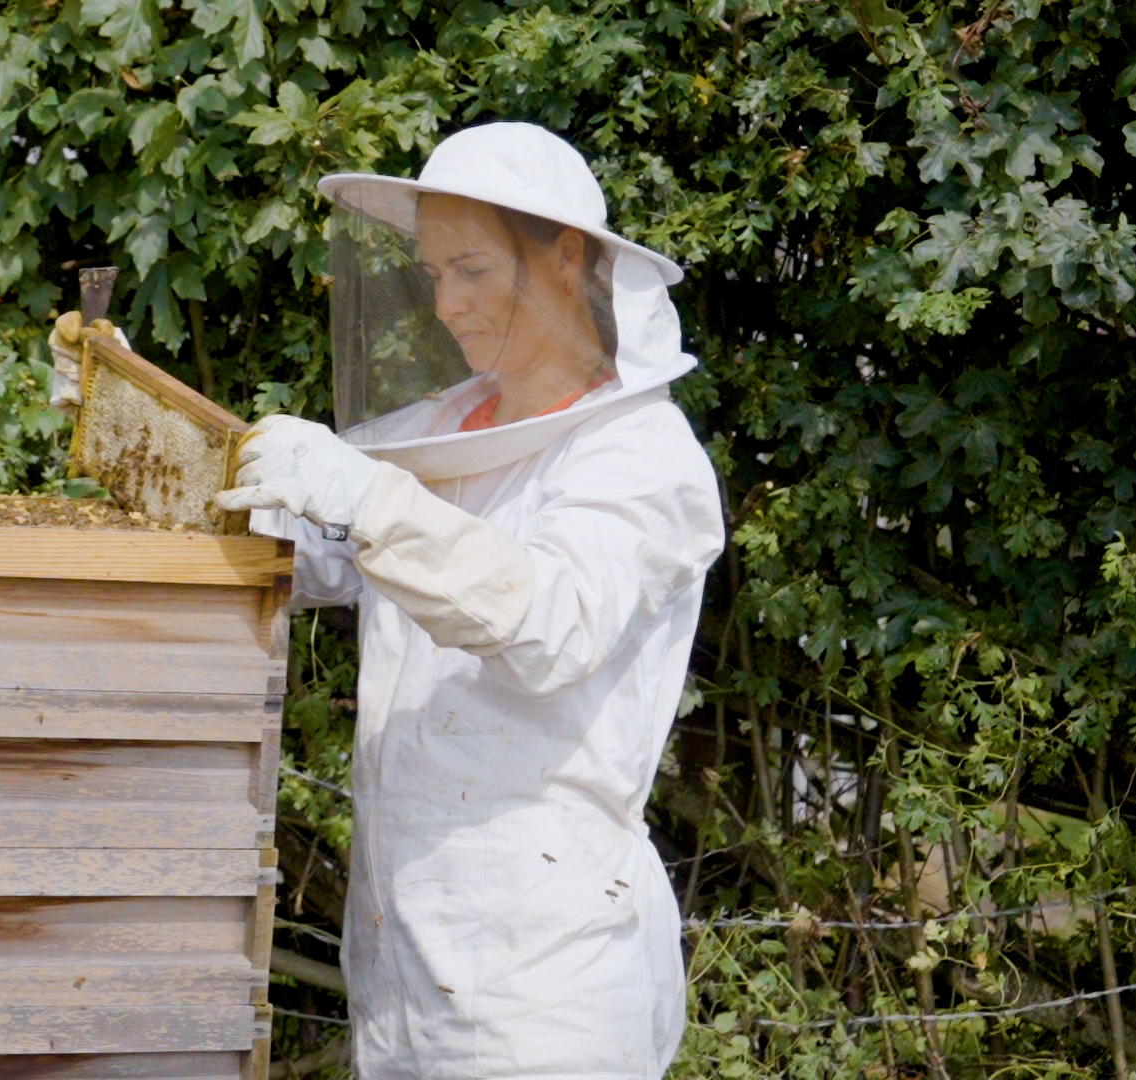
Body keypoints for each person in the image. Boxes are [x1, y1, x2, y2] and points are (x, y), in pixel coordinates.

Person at [215, 123, 725, 1079]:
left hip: (546, 981)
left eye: (474, 270)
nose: (446, 304)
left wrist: (366, 497)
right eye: (431, 273)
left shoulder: (640, 456)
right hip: (405, 957)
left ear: (566, 259)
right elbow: (299, 550)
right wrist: (146, 430)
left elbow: (548, 624)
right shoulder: (445, 430)